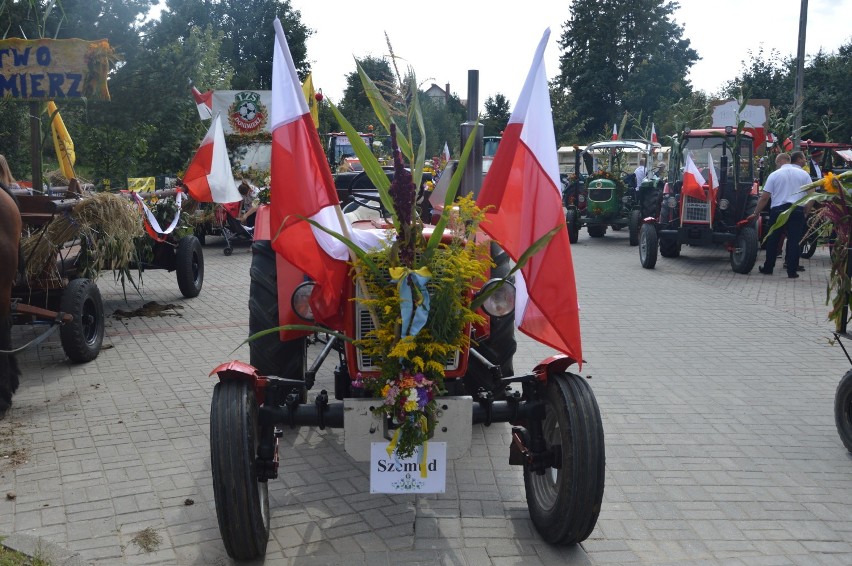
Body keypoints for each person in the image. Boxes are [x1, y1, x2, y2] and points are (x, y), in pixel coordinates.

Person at [749, 151, 812, 278]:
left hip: (778, 210)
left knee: (773, 239)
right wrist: (806, 211)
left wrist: (756, 213)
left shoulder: (774, 174)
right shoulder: (804, 174)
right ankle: (792, 271)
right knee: (794, 241)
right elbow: (812, 195)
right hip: (797, 209)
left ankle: (768, 267)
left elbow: (765, 197)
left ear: (779, 161)